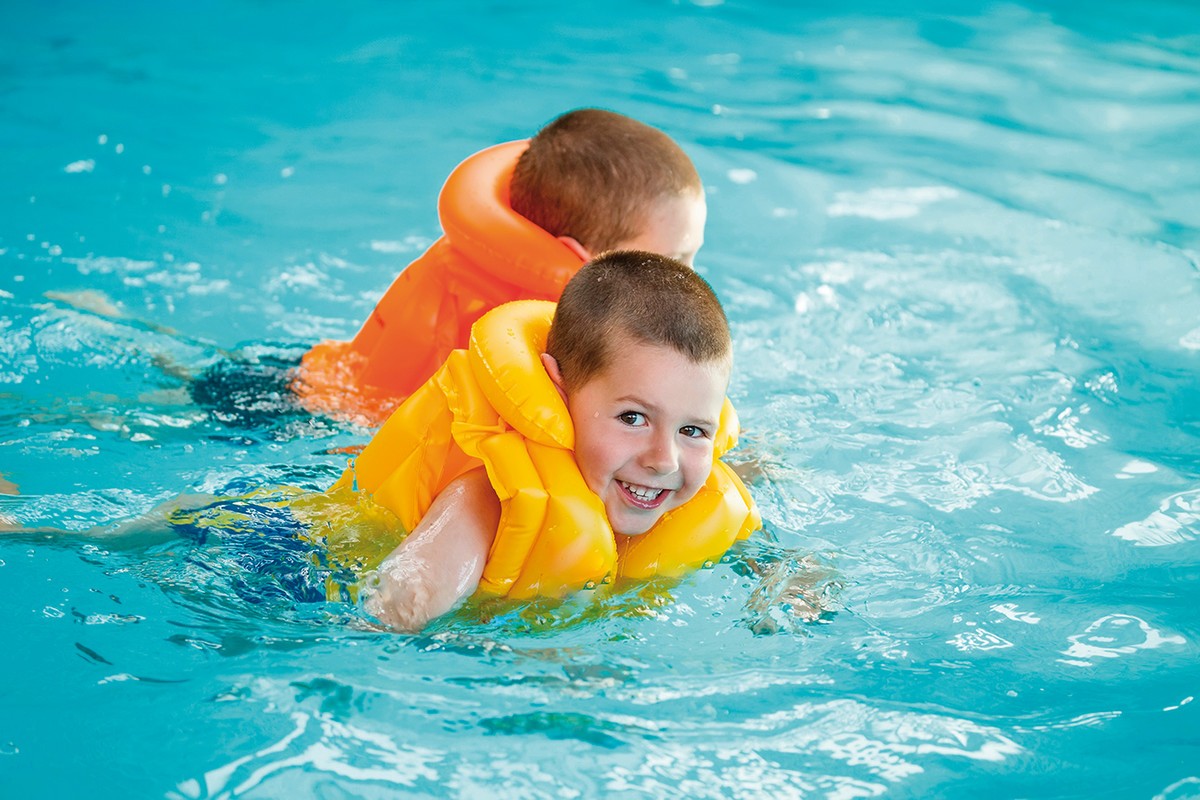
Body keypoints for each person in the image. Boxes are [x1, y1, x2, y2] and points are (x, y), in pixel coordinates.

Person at [327, 250, 760, 632]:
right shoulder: (490, 496)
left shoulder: (691, 494)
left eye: (692, 431)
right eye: (633, 418)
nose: (664, 460)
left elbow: (761, 554)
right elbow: (393, 608)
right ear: (559, 389)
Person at [292, 108, 707, 426]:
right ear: (580, 256)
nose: (692, 279)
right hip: (332, 426)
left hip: (313, 383)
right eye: (674, 261)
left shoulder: (486, 274)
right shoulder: (524, 334)